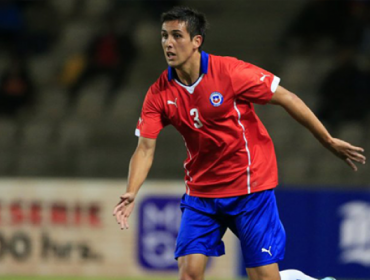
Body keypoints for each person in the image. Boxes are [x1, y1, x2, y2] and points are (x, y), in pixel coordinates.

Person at [113, 7, 366, 280]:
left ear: (197, 41)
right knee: (189, 275)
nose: (168, 43)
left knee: (265, 278)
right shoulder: (159, 93)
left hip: (249, 188)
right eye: (164, 36)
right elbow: (145, 149)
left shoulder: (230, 72)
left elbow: (287, 98)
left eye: (177, 36)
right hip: (202, 193)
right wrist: (131, 191)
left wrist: (327, 140)